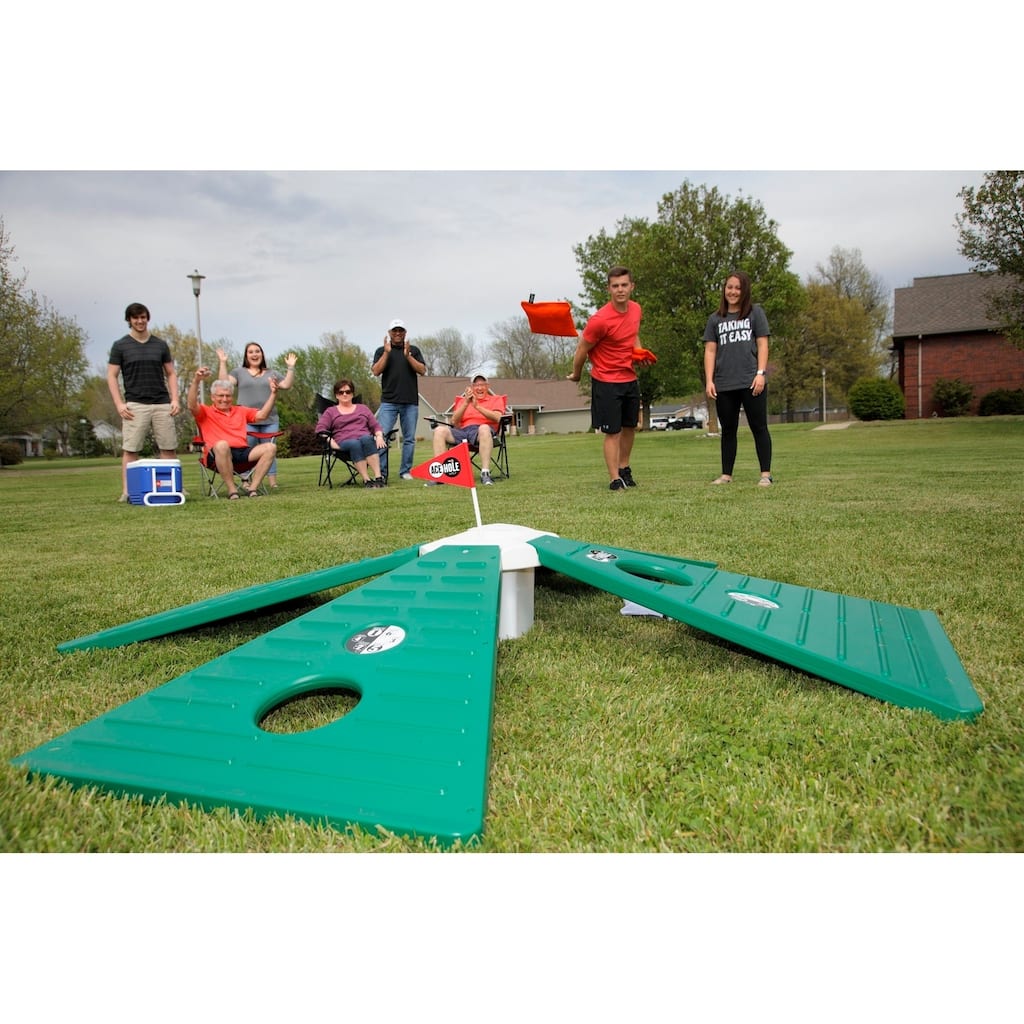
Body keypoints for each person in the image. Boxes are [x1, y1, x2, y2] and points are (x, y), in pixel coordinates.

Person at [568, 266, 643, 491]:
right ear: (608, 289)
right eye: (615, 286)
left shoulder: (636, 309)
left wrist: (639, 352)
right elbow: (582, 349)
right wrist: (577, 374)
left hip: (629, 378)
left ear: (632, 287)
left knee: (630, 427)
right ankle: (614, 479)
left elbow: (633, 334)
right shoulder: (600, 320)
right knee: (613, 432)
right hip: (606, 380)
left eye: (624, 285)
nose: (620, 290)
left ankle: (624, 469)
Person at [703, 270, 773, 486]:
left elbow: (762, 344)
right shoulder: (715, 319)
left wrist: (761, 374)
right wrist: (709, 380)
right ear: (724, 289)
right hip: (725, 383)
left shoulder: (755, 313)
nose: (733, 292)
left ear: (745, 291)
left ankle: (765, 474)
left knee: (759, 427)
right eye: (729, 287)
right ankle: (726, 475)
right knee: (728, 431)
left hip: (751, 381)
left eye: (737, 288)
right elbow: (710, 350)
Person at [107, 302, 180, 501]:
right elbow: (112, 375)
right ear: (129, 320)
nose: (140, 321)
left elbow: (171, 373)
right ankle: (127, 491)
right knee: (131, 449)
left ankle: (173, 487)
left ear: (147, 318)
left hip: (161, 403)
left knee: (168, 447)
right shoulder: (120, 346)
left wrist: (174, 399)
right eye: (135, 318)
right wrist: (119, 404)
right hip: (135, 405)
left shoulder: (160, 345)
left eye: (143, 317)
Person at [187, 367, 278, 498]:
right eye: (221, 396)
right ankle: (232, 490)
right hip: (216, 454)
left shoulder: (240, 410)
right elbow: (191, 405)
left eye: (228, 396)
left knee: (270, 447)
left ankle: (253, 488)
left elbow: (262, 415)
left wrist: (273, 394)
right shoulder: (205, 412)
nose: (225, 399)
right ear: (213, 397)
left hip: (242, 452)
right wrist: (196, 380)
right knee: (222, 445)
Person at [217, 343, 296, 490]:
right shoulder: (239, 372)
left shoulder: (271, 373)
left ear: (262, 354)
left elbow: (286, 385)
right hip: (246, 420)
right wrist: (222, 362)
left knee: (270, 449)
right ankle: (246, 480)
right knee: (246, 451)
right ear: (246, 356)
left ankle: (272, 482)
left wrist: (290, 368)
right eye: (251, 352)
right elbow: (224, 383)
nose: (254, 354)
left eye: (257, 351)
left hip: (269, 420)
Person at [371, 319, 426, 481]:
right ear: (389, 333)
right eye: (394, 330)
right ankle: (381, 473)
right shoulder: (381, 350)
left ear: (405, 333)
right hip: (389, 402)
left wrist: (408, 356)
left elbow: (422, 370)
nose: (397, 333)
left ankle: (405, 471)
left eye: (400, 330)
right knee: (382, 436)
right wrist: (386, 353)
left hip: (410, 402)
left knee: (409, 439)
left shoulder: (413, 350)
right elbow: (376, 371)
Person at [429, 375, 507, 485]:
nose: (479, 388)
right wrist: (466, 403)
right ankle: (440, 475)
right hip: (463, 432)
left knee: (484, 428)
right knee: (439, 430)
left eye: (482, 385)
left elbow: (497, 417)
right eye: (476, 385)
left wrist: (477, 407)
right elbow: (454, 421)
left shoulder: (496, 399)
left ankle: (485, 473)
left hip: (482, 433)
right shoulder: (463, 401)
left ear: (487, 386)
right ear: (472, 387)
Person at [315, 379, 387, 488]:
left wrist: (379, 436)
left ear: (352, 394)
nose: (345, 394)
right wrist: (330, 441)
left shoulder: (363, 409)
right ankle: (367, 480)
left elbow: (375, 426)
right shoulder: (330, 412)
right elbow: (320, 429)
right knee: (354, 443)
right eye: (341, 392)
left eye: (348, 392)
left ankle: (378, 478)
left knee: (367, 439)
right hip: (344, 442)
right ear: (336, 395)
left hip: (364, 438)